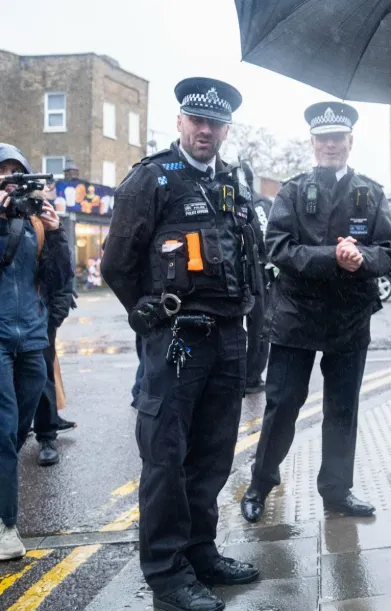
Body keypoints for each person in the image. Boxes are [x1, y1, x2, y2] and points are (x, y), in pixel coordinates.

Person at [102, 77, 262, 611]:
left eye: (214, 122)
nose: (205, 129)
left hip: (227, 339)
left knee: (213, 454)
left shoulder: (234, 182)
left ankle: (200, 552)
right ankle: (168, 575)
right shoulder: (151, 179)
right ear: (180, 122)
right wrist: (145, 311)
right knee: (166, 458)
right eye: (196, 120)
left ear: (225, 129)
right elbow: (117, 263)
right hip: (176, 339)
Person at [239, 101, 391, 523]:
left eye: (338, 138)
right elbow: (277, 247)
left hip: (349, 318)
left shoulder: (371, 191)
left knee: (342, 408)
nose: (331, 145)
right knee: (283, 404)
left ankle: (336, 490)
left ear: (350, 142)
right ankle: (260, 483)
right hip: (297, 316)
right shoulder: (292, 191)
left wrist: (363, 259)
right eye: (323, 138)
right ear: (313, 143)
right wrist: (334, 256)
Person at [0, 143, 73, 560]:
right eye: (4, 172)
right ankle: (7, 526)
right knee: (5, 431)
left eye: (17, 172)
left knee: (20, 427)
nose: (11, 178)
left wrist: (58, 230)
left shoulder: (35, 222)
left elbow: (60, 276)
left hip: (31, 337)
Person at [33, 230, 78, 467]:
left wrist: (56, 315)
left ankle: (47, 435)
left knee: (43, 376)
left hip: (40, 318)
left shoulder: (44, 223)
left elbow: (63, 273)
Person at [244, 180, 272, 396]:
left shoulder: (230, 199)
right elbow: (268, 239)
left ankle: (247, 375)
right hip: (259, 271)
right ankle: (252, 376)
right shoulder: (260, 202)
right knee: (260, 327)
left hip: (242, 269)